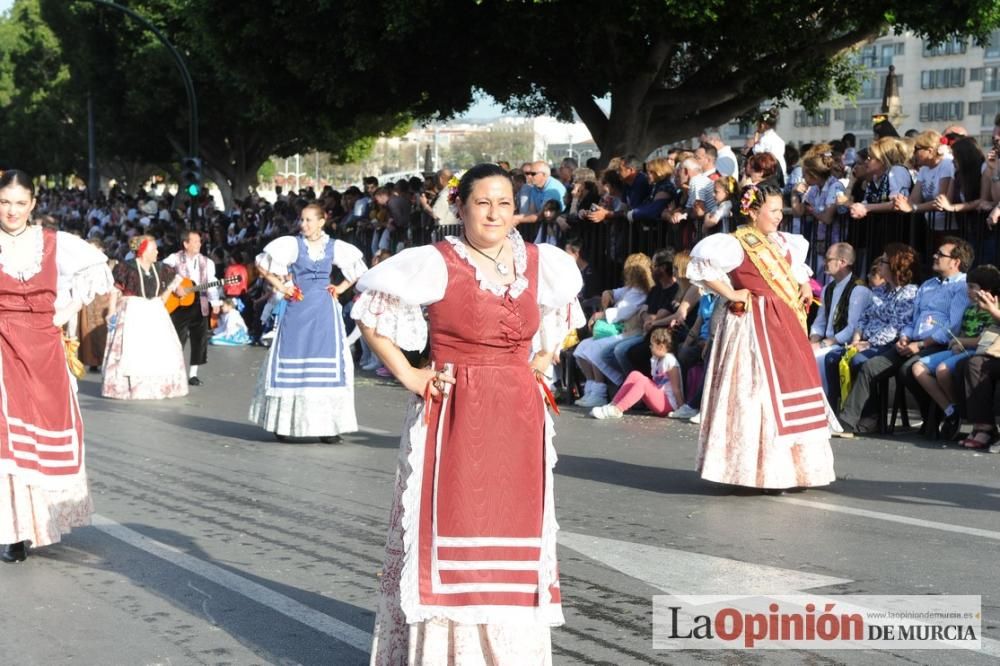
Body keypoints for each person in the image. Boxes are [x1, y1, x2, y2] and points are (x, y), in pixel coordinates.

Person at [353, 163, 583, 664]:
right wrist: (412, 375)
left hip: (519, 415)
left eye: (504, 203)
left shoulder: (543, 262)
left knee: (514, 531)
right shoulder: (436, 262)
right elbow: (371, 312)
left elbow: (563, 320)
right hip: (456, 411)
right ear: (460, 207)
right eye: (483, 202)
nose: (495, 212)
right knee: (450, 527)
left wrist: (540, 362)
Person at [687, 183, 836, 491]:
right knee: (756, 393)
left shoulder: (785, 242)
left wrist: (805, 285)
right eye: (773, 211)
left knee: (790, 390)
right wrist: (731, 292)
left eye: (781, 210)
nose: (780, 216)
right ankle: (753, 470)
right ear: (753, 212)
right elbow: (702, 267)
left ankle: (794, 471)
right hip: (753, 325)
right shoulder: (737, 243)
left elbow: (797, 272)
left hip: (786, 325)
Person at [0, 169, 113, 563]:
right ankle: (11, 532)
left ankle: (38, 523)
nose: (11, 210)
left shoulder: (54, 243)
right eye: (4, 202)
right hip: (2, 344)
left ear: (32, 205)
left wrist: (65, 309)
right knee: (6, 439)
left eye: (19, 202)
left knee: (42, 433)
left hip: (43, 347)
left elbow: (99, 268)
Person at [249, 203, 367, 443]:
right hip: (298, 309)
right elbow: (262, 263)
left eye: (309, 220)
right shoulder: (293, 245)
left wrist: (340, 288)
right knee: (294, 361)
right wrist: (282, 287)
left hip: (324, 310)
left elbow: (358, 269)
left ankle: (328, 427)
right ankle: (283, 423)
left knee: (327, 366)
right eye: (302, 220)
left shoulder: (334, 247)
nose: (303, 224)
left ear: (321, 221)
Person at [838, 237, 971, 436]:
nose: (935, 256)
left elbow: (952, 326)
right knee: (869, 366)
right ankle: (847, 421)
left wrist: (922, 344)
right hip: (911, 342)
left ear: (955, 262)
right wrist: (906, 337)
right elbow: (912, 320)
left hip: (936, 344)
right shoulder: (928, 285)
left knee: (907, 371)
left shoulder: (961, 287)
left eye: (940, 254)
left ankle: (934, 417)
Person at [102, 234, 190, 400]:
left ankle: (160, 387)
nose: (157, 251)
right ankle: (130, 388)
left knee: (161, 349)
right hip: (133, 310)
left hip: (155, 310)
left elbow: (173, 286)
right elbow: (116, 289)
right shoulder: (126, 267)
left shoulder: (162, 268)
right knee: (133, 349)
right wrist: (111, 311)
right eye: (153, 249)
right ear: (143, 251)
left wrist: (168, 295)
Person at [163, 229, 221, 386]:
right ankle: (173, 371)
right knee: (176, 338)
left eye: (200, 241)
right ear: (185, 243)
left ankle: (193, 374)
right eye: (195, 241)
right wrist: (175, 286)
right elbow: (163, 274)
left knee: (199, 338)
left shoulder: (207, 262)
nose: (199, 244)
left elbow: (212, 283)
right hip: (179, 304)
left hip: (200, 301)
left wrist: (215, 302)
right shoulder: (173, 259)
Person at [590, 328, 683, 419]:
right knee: (635, 374)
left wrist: (681, 409)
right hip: (660, 399)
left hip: (669, 404)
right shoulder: (656, 359)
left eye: (652, 345)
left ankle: (617, 409)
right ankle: (614, 404)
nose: (650, 347)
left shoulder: (670, 361)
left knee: (643, 382)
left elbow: (676, 388)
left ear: (661, 347)